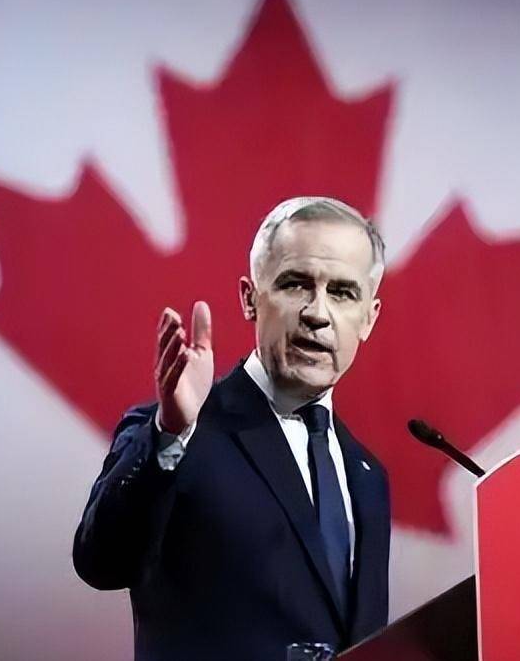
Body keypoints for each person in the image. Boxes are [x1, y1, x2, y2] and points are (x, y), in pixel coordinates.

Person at [73, 197, 390, 661]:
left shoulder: (369, 477)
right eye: (296, 284)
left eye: (342, 293)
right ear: (249, 298)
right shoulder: (177, 433)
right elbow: (101, 562)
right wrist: (170, 434)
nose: (317, 313)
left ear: (369, 317)